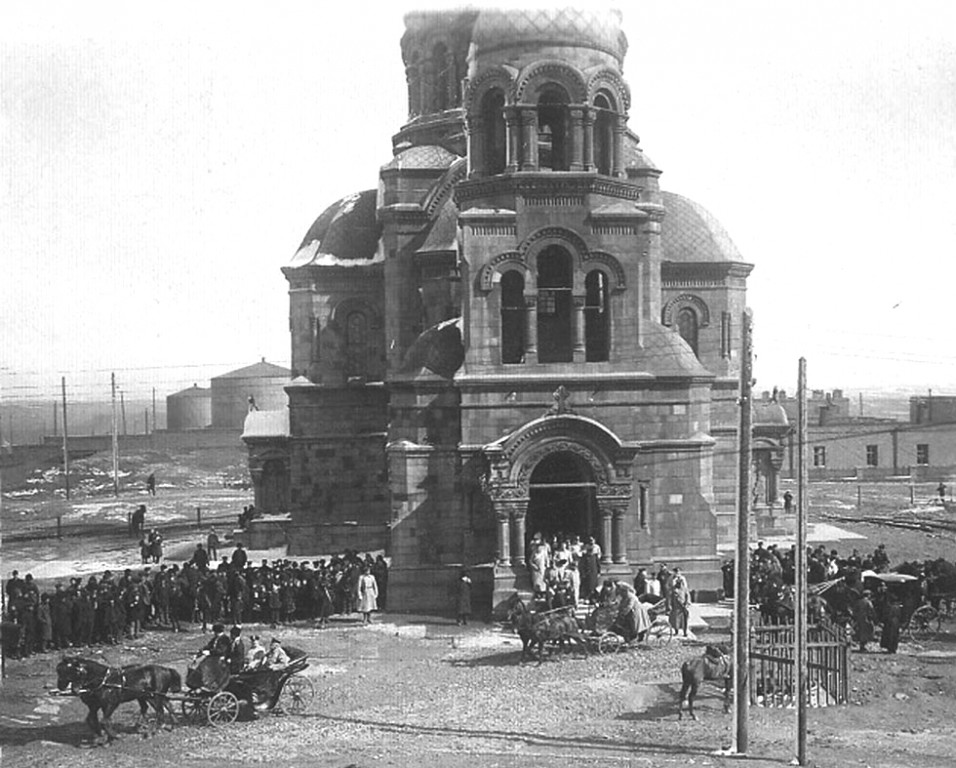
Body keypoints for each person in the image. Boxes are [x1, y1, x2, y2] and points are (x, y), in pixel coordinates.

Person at [669, 567, 691, 637]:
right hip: (676, 606)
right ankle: (676, 631)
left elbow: (687, 594)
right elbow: (671, 596)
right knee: (676, 620)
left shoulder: (684, 587)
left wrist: (687, 603)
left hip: (683, 605)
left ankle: (685, 632)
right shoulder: (674, 588)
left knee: (685, 619)